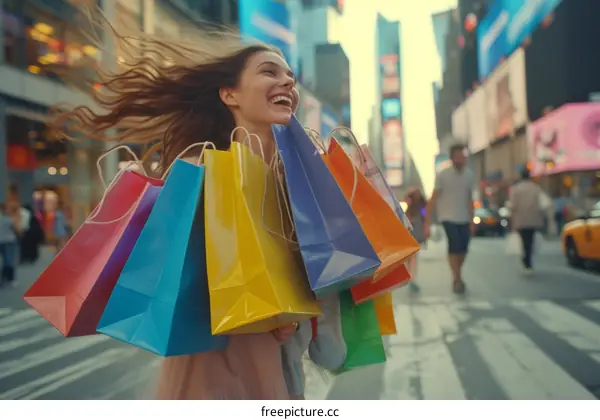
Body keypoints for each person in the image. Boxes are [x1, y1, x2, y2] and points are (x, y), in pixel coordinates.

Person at [49, 15, 329, 400]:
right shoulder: (203, 172)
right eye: (269, 72)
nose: (288, 82)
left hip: (278, 363)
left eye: (289, 76)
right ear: (230, 95)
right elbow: (175, 279)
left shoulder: (291, 176)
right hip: (214, 364)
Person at [424, 144, 475, 294]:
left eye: (463, 156)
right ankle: (457, 278)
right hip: (447, 216)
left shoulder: (469, 175)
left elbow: (469, 200)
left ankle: (457, 274)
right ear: (452, 158)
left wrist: (472, 221)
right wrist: (427, 222)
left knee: (463, 249)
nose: (462, 159)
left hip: (464, 217)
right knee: (454, 246)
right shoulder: (442, 175)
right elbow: (433, 199)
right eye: (458, 156)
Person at [508, 168, 545, 274]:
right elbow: (541, 203)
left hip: (521, 220)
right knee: (530, 240)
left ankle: (526, 260)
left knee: (524, 241)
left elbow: (513, 206)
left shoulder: (516, 189)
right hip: (533, 219)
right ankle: (528, 260)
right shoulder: (535, 188)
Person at [404, 187, 427, 292]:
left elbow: (424, 216)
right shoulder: (410, 207)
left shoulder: (419, 207)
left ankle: (412, 279)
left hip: (415, 233)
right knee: (411, 257)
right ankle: (411, 279)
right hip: (412, 232)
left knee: (412, 257)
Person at [0, 203, 20, 288]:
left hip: (1, 241)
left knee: (4, 260)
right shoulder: (9, 219)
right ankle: (10, 279)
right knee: (9, 261)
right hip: (9, 241)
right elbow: (17, 230)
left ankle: (3, 278)